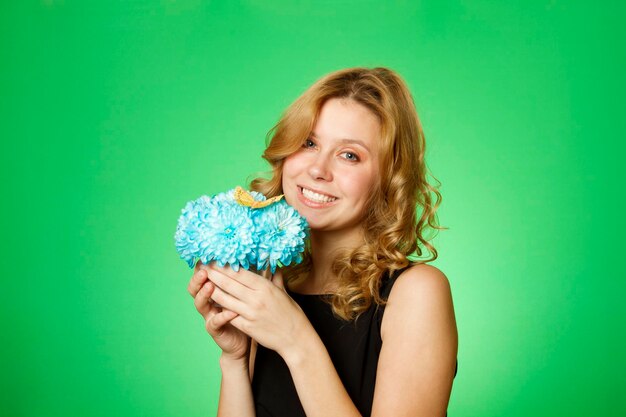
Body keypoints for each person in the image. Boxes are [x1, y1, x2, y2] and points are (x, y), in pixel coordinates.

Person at [187, 67, 458, 417]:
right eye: (309, 143)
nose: (318, 169)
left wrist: (295, 340)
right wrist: (235, 360)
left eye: (349, 155)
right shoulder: (273, 283)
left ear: (388, 179)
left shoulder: (417, 292)